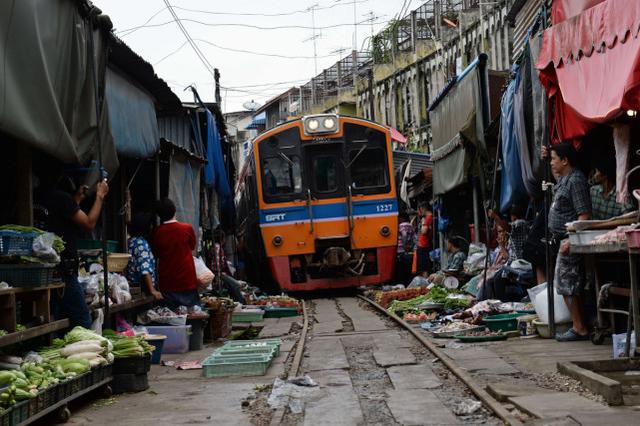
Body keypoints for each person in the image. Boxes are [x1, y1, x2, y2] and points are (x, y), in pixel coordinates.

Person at [42, 172, 109, 328]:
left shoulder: (42, 197)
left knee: (59, 319)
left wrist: (77, 200)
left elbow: (63, 219)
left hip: (48, 270)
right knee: (82, 320)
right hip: (63, 271)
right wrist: (100, 196)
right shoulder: (62, 198)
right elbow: (89, 223)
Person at [544, 142, 592, 341]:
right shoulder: (565, 179)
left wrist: (572, 240)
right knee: (568, 285)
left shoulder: (576, 180)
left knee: (567, 285)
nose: (551, 163)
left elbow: (584, 215)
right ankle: (579, 325)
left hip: (569, 241)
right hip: (562, 240)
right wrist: (546, 154)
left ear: (565, 160)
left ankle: (579, 327)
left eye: (554, 159)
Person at [151, 198, 200, 310]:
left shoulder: (157, 232)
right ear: (174, 210)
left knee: (172, 317)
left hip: (167, 282)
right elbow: (192, 246)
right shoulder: (187, 228)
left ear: (159, 216)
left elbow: (156, 254)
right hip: (187, 279)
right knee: (192, 314)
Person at [126, 213, 163, 301]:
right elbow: (144, 268)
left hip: (134, 286)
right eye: (150, 225)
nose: (151, 228)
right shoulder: (141, 243)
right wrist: (152, 290)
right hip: (141, 288)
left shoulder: (130, 241)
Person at [414, 202, 433, 276]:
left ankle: (425, 284)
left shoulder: (428, 218)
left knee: (424, 268)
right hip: (424, 244)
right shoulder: (429, 217)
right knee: (423, 267)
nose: (419, 212)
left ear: (423, 208)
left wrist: (423, 222)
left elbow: (424, 231)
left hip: (423, 244)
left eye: (419, 210)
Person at [396, 214, 415, 284]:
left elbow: (404, 235)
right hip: (409, 250)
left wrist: (404, 246)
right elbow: (413, 237)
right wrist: (410, 247)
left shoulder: (402, 225)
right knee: (408, 269)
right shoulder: (410, 225)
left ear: (402, 218)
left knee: (401, 269)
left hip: (401, 250)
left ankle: (402, 283)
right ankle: (408, 283)